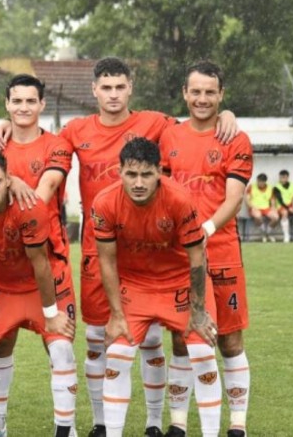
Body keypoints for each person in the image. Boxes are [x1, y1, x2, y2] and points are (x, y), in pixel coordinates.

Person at [92, 138, 221, 437]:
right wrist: (116, 314)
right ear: (119, 171)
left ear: (159, 173)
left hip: (179, 282)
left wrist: (198, 312)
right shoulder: (104, 203)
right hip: (136, 286)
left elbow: (197, 258)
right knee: (117, 356)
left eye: (146, 175)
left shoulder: (179, 199)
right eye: (131, 174)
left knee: (202, 354)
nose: (138, 183)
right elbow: (107, 262)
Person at [0, 74, 75, 436]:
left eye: (31, 101)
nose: (23, 108)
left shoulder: (57, 145)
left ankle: (68, 427)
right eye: (16, 101)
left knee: (59, 347)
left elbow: (42, 194)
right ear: (7, 104)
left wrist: (14, 182)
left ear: (42, 105)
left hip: (49, 263)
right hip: (2, 267)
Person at [0, 148, 77, 437]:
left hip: (42, 287)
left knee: (61, 348)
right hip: (3, 288)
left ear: (8, 179)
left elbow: (41, 263)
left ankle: (66, 430)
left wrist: (51, 315)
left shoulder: (29, 207)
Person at [159, 60, 253, 437]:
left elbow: (235, 198)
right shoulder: (168, 136)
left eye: (210, 92)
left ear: (221, 95)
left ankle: (237, 424)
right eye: (195, 91)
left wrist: (206, 229)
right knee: (182, 338)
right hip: (179, 257)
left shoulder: (236, 139)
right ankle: (179, 424)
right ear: (184, 93)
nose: (202, 99)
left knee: (229, 340)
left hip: (223, 251)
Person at [245, 174, 279, 242]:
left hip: (266, 208)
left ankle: (266, 233)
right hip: (255, 207)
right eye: (258, 181)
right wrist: (251, 207)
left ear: (265, 182)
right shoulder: (251, 186)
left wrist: (273, 207)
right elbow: (247, 199)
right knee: (257, 216)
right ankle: (265, 234)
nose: (259, 183)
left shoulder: (270, 188)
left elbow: (272, 200)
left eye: (261, 182)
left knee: (276, 217)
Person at [273, 169, 293, 243]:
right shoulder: (276, 187)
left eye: (284, 177)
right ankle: (286, 236)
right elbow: (280, 200)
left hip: (292, 205)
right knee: (285, 213)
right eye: (281, 177)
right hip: (282, 206)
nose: (283, 179)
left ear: (287, 177)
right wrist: (288, 208)